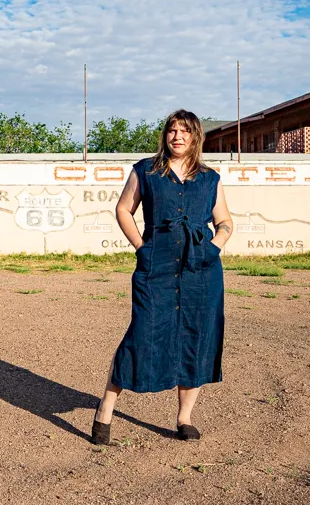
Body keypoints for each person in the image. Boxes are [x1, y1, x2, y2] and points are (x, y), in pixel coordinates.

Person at [91, 109, 233, 444]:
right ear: (165, 136)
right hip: (156, 268)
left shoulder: (210, 178)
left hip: (202, 271)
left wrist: (215, 246)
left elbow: (225, 221)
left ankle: (184, 418)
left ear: (196, 136)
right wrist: (142, 247)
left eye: (185, 131)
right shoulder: (146, 171)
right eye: (172, 130)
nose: (178, 136)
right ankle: (105, 409)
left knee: (196, 339)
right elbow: (123, 209)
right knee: (141, 336)